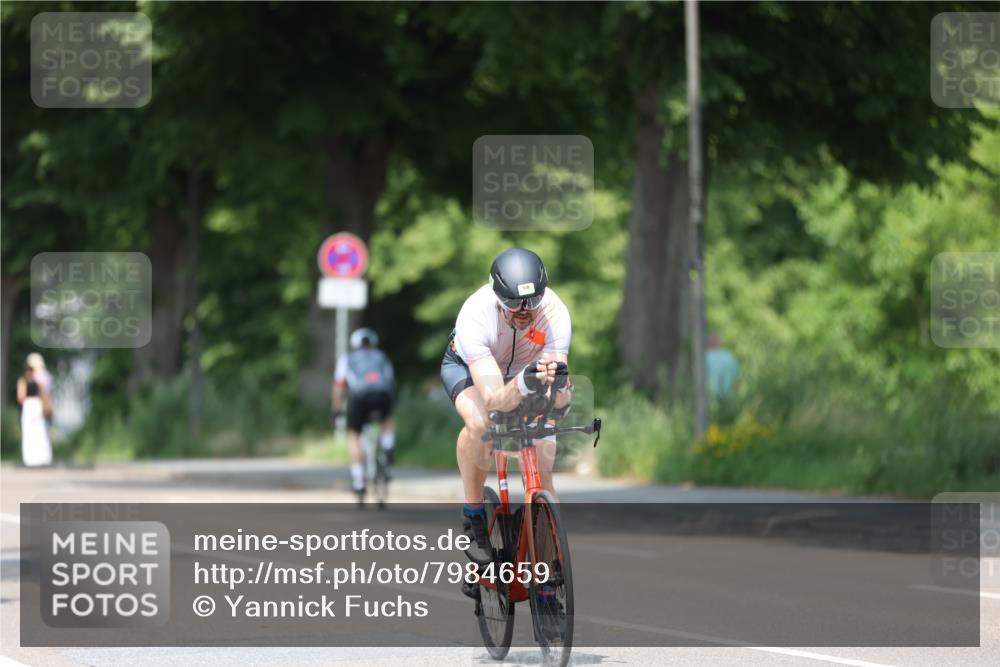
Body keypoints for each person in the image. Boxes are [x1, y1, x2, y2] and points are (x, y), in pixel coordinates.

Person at [440, 247, 572, 564]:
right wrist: (525, 384)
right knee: (482, 424)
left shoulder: (555, 313)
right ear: (497, 296)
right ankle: (474, 516)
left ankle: (547, 578)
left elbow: (561, 398)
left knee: (543, 476)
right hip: (472, 368)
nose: (523, 311)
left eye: (532, 301)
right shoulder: (475, 314)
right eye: (512, 302)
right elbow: (495, 399)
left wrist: (561, 395)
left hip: (525, 371)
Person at [331, 328, 396, 506]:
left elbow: (339, 385)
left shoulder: (348, 358)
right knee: (386, 420)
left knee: (354, 435)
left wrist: (336, 409)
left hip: (360, 399)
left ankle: (359, 482)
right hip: (382, 396)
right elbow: (390, 381)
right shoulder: (382, 356)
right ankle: (388, 445)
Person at [17, 362, 54, 467]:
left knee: (33, 432)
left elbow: (21, 397)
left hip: (31, 406)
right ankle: (38, 458)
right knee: (37, 432)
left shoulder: (24, 381)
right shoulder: (36, 382)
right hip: (35, 405)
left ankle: (33, 459)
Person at [706, 332, 740, 399]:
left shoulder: (704, 357)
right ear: (719, 342)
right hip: (728, 395)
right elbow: (737, 377)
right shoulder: (728, 356)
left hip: (710, 396)